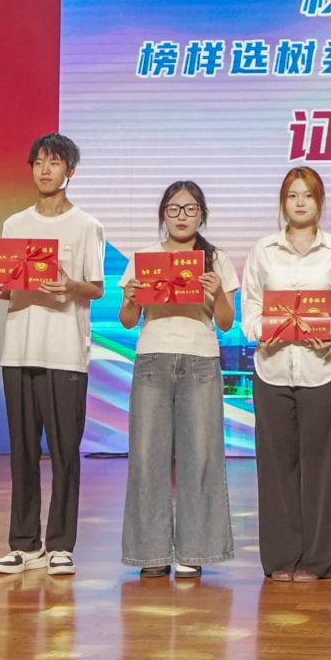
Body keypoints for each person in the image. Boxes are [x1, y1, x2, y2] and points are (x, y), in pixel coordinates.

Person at [0, 133, 107, 578]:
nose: (45, 170)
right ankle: (23, 544)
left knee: (65, 451)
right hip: (19, 349)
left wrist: (70, 285)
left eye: (54, 163)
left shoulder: (86, 225)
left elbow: (96, 288)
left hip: (66, 352)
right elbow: (10, 282)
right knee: (22, 451)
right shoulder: (15, 224)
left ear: (70, 171)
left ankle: (61, 545)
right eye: (38, 162)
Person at [240, 166, 331, 582]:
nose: (301, 202)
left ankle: (317, 560)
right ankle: (280, 558)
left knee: (322, 468)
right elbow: (251, 305)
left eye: (308, 195)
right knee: (276, 467)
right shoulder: (263, 250)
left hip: (320, 369)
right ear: (283, 202)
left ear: (320, 201)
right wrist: (261, 330)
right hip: (272, 369)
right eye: (293, 195)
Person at [120, 180, 240, 578]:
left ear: (201, 214)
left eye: (190, 209)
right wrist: (131, 298)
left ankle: (195, 551)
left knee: (201, 456)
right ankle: (150, 553)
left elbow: (227, 322)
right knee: (146, 457)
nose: (182, 216)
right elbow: (128, 320)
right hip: (152, 359)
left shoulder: (216, 260)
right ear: (163, 214)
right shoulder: (145, 259)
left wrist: (217, 292)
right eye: (173, 209)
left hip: (200, 361)